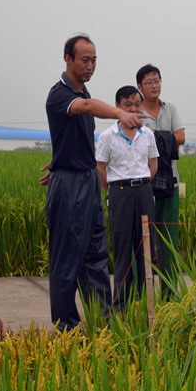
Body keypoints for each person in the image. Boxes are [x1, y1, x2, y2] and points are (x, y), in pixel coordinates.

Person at [41, 34, 142, 331]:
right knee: (66, 258)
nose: (90, 65)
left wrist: (59, 161)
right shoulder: (60, 94)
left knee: (96, 254)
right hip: (69, 186)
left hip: (86, 179)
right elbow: (85, 107)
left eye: (94, 60)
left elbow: (71, 138)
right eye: (84, 59)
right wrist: (120, 113)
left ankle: (102, 322)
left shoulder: (82, 91)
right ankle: (66, 328)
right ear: (68, 59)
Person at [95, 86, 159, 312]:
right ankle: (120, 304)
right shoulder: (107, 136)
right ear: (118, 107)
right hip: (119, 193)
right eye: (127, 105)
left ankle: (146, 303)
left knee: (145, 247)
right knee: (123, 249)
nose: (133, 109)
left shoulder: (147, 134)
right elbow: (100, 168)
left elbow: (153, 165)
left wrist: (141, 185)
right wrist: (113, 191)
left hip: (144, 192)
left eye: (137, 105)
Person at [137, 64, 185, 298]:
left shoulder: (170, 109)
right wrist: (166, 140)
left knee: (168, 241)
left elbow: (181, 136)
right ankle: (139, 294)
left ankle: (169, 293)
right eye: (149, 82)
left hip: (170, 183)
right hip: (144, 184)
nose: (154, 85)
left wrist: (152, 139)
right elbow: (134, 141)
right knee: (141, 240)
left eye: (157, 80)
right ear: (140, 86)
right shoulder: (136, 112)